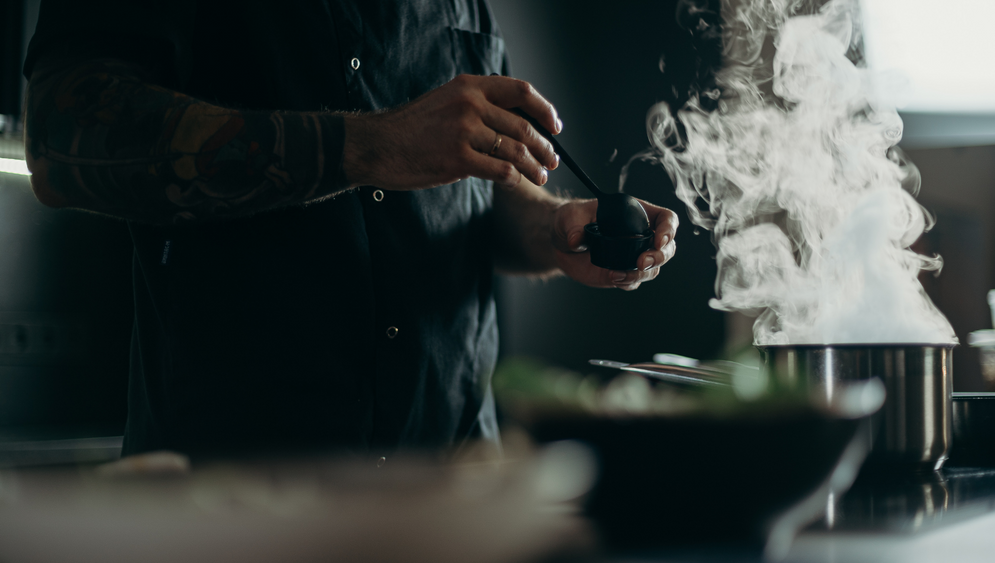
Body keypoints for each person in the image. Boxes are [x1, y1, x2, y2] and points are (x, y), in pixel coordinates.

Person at [22, 0, 678, 461]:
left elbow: (471, 190)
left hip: (452, 490)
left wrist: (551, 226)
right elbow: (63, 142)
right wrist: (368, 145)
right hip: (233, 503)